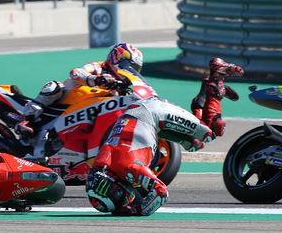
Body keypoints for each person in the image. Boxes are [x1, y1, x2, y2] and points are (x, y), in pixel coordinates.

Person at [86, 58, 244, 216]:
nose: (124, 202)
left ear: (115, 186)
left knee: (210, 131)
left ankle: (217, 77)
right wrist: (118, 206)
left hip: (152, 113)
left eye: (119, 199)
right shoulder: (102, 164)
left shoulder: (129, 169)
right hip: (147, 120)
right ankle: (204, 96)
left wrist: (138, 210)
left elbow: (161, 192)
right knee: (194, 144)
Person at [16, 42, 147, 138]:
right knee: (54, 86)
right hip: (67, 101)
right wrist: (95, 79)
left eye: (134, 68)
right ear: (116, 57)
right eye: (127, 65)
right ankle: (26, 119)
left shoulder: (122, 87)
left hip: (86, 115)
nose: (129, 69)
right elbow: (76, 72)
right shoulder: (98, 67)